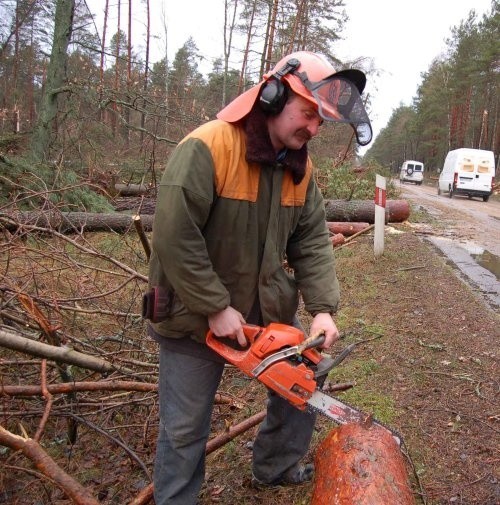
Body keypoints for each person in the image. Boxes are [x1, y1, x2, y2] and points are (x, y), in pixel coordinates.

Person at [145, 50, 372, 504]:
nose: (313, 129)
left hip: (261, 310)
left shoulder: (299, 169)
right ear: (271, 96)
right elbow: (174, 236)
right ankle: (176, 498)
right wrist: (214, 306)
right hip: (193, 315)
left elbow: (310, 241)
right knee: (186, 426)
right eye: (308, 114)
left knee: (307, 378)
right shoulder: (208, 147)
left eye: (320, 121)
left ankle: (276, 466)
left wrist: (323, 309)